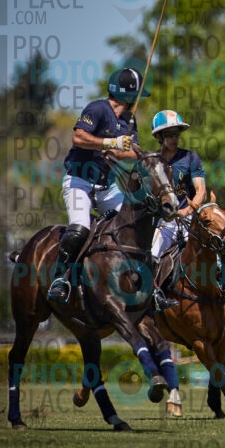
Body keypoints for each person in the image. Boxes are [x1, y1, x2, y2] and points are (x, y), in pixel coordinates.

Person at [47, 68, 175, 311]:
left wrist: (122, 150)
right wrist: (109, 142)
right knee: (80, 228)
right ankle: (61, 279)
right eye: (137, 96)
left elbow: (133, 152)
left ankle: (152, 288)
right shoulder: (97, 109)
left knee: (134, 225)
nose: (138, 101)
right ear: (127, 94)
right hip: (79, 181)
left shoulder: (129, 120)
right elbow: (79, 138)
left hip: (106, 186)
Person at [149, 109, 225, 338]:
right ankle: (150, 304)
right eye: (169, 134)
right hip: (164, 222)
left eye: (176, 133)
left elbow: (200, 191)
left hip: (190, 218)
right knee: (152, 255)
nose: (174, 138)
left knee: (218, 258)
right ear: (159, 137)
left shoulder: (191, 158)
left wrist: (188, 210)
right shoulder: (152, 162)